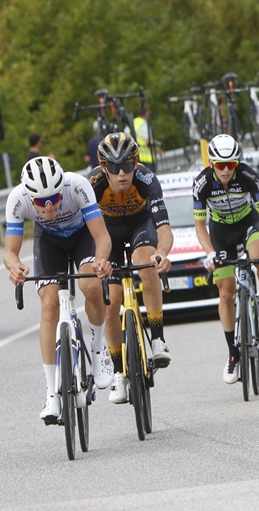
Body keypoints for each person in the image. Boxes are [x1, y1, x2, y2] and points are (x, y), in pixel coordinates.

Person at [3, 157, 115, 425]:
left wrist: (100, 261)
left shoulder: (77, 186)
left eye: (54, 197)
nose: (49, 205)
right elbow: (10, 252)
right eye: (41, 202)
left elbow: (102, 237)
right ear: (30, 197)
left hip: (82, 237)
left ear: (60, 188)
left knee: (90, 285)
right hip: (49, 242)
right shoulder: (17, 199)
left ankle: (99, 348)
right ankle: (51, 393)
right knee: (49, 305)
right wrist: (15, 266)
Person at [88, 132, 174, 404]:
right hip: (108, 235)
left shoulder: (147, 180)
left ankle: (158, 338)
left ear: (135, 164)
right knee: (111, 303)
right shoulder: (92, 185)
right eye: (114, 168)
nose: (121, 173)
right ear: (104, 168)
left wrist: (161, 253)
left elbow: (165, 229)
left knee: (146, 264)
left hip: (140, 226)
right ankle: (117, 372)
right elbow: (86, 233)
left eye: (126, 166)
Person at [193, 135, 259, 384]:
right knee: (226, 294)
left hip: (247, 223)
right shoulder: (201, 184)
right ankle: (233, 354)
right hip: (220, 232)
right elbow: (200, 226)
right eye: (220, 165)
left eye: (231, 164)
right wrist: (210, 252)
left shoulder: (248, 176)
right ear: (211, 163)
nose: (226, 170)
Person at [133, 103, 157, 168]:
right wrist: (157, 149)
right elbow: (147, 141)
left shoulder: (133, 122)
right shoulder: (143, 124)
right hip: (147, 158)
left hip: (136, 157)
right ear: (147, 113)